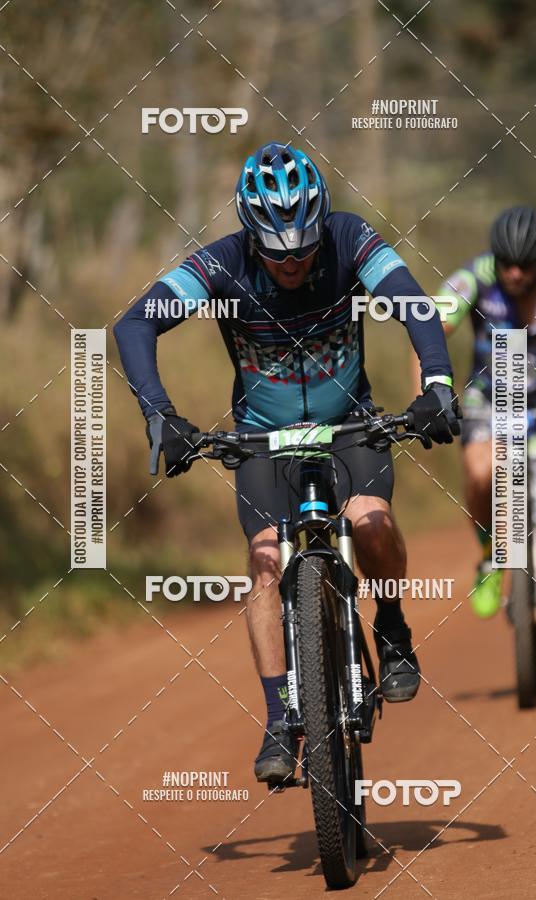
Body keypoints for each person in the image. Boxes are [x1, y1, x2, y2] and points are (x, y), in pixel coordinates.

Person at [114, 141, 459, 784]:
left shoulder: (351, 238)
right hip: (260, 437)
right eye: (278, 254)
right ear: (252, 236)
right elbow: (134, 325)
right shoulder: (220, 264)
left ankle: (390, 627)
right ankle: (280, 716)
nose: (293, 264)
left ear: (321, 223)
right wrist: (159, 413)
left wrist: (437, 383)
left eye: (303, 251)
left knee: (373, 522)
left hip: (350, 423)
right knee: (266, 563)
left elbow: (414, 303)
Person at [438, 206, 536, 627]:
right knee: (479, 473)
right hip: (489, 395)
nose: (513, 274)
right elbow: (431, 325)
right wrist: (430, 392)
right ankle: (491, 558)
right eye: (506, 264)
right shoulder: (474, 275)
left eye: (524, 266)